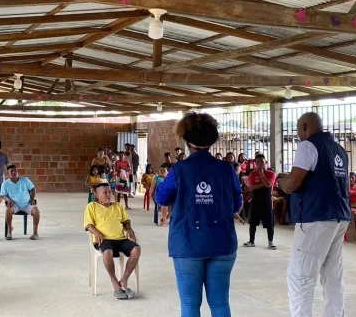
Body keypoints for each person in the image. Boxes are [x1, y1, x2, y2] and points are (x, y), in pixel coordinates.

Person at [155, 112, 242, 317]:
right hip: (222, 242)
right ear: (212, 140)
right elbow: (236, 202)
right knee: (220, 304)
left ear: (187, 141)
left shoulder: (180, 169)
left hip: (187, 243)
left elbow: (161, 198)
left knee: (190, 305)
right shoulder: (226, 168)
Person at [282, 112, 350, 317]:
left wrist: (281, 182)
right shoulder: (339, 149)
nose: (298, 134)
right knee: (332, 276)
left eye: (297, 129)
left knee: (300, 277)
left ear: (304, 126)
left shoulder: (308, 146)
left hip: (316, 217)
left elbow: (293, 183)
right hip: (339, 217)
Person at [84, 184, 141, 300]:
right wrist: (96, 233)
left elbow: (126, 221)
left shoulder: (118, 206)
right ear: (96, 194)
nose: (109, 195)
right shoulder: (92, 206)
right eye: (105, 193)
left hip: (120, 238)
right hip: (104, 240)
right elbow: (88, 225)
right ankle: (115, 283)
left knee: (136, 249)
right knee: (108, 252)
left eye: (109, 192)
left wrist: (129, 229)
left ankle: (124, 280)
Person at [244, 153, 277, 250]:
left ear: (265, 162)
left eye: (261, 162)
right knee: (253, 222)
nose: (259, 164)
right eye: (257, 162)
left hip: (267, 200)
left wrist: (261, 174)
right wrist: (260, 185)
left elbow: (268, 185)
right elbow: (250, 187)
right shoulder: (252, 174)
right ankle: (251, 241)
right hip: (255, 200)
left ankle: (270, 242)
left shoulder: (271, 173)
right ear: (255, 164)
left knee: (269, 223)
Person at [0, 165, 40, 240]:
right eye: (12, 171)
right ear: (8, 174)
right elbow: (3, 195)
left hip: (27, 204)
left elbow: (33, 189)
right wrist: (8, 199)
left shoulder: (25, 180)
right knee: (8, 210)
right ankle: (10, 230)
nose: (14, 172)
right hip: (15, 205)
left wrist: (32, 199)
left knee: (36, 211)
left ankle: (35, 232)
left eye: (16, 171)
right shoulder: (5, 184)